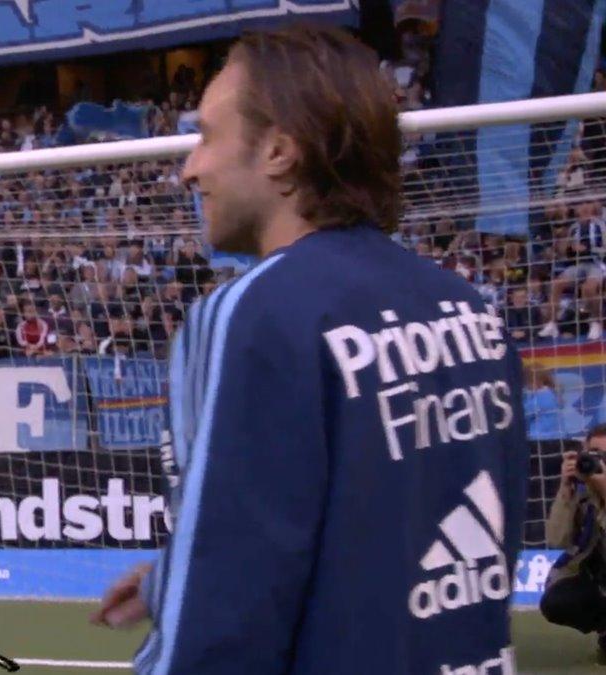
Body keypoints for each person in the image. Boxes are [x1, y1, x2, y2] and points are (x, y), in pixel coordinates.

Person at [91, 25, 528, 674]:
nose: (190, 169)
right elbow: (407, 530)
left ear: (279, 151)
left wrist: (191, 589)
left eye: (207, 136)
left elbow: (223, 605)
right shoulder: (469, 308)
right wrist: (167, 581)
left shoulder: (252, 314)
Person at [540, 425, 606, 657]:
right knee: (557, 601)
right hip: (596, 576)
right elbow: (557, 540)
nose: (599, 461)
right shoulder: (582, 490)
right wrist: (565, 490)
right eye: (595, 454)